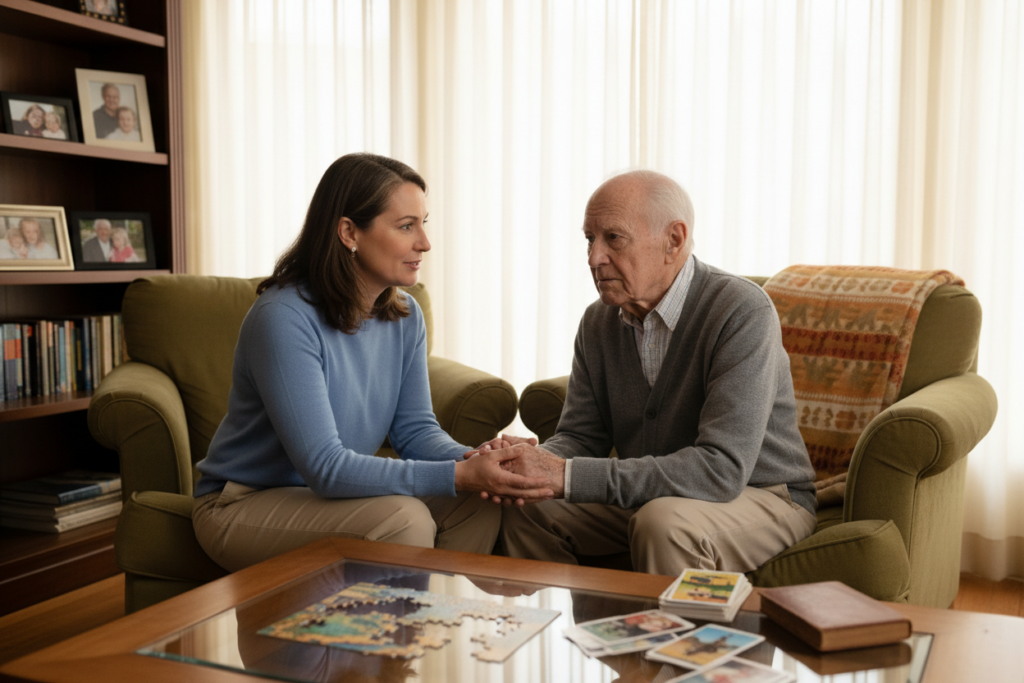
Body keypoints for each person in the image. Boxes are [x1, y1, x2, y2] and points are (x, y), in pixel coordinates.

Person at [192, 153, 552, 573]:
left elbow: (415, 432)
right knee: (404, 518)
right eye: (405, 226)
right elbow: (325, 468)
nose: (425, 242)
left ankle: (428, 627)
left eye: (423, 223)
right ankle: (394, 635)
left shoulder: (404, 315)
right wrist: (459, 475)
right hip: (242, 503)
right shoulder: (282, 318)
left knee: (479, 503)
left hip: (329, 499)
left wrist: (478, 462)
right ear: (349, 232)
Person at [496, 170, 818, 577]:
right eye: (589, 239)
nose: (595, 257)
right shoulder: (598, 322)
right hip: (657, 495)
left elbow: (721, 470)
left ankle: (671, 643)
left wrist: (565, 474)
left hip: (763, 495)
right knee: (525, 505)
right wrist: (528, 463)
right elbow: (582, 437)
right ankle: (576, 636)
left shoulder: (741, 311)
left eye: (613, 237)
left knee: (664, 524)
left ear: (674, 240)